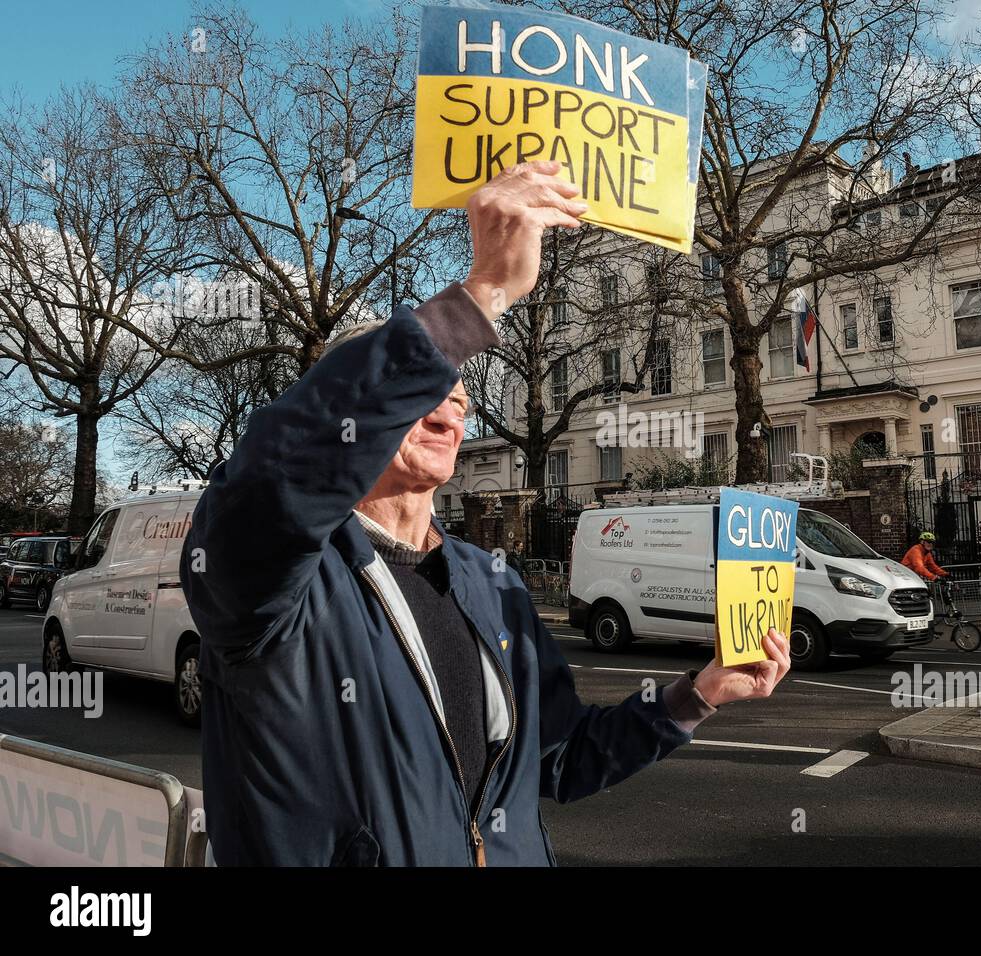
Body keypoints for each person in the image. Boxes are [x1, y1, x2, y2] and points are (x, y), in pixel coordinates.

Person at [182, 160, 792, 867]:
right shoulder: (269, 582)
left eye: (458, 389)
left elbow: (560, 757)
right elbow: (274, 475)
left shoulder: (490, 583)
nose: (453, 399)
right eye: (424, 384)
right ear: (354, 418)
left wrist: (700, 693)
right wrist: (481, 296)